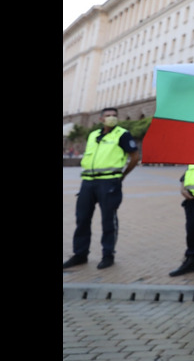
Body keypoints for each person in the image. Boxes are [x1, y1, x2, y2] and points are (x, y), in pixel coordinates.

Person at [63, 108, 140, 270]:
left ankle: (108, 254)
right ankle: (80, 254)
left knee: (108, 220)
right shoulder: (93, 135)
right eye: (108, 116)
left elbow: (135, 156)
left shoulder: (122, 134)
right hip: (88, 182)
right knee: (82, 219)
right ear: (101, 119)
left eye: (114, 116)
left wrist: (123, 175)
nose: (111, 118)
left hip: (109, 182)